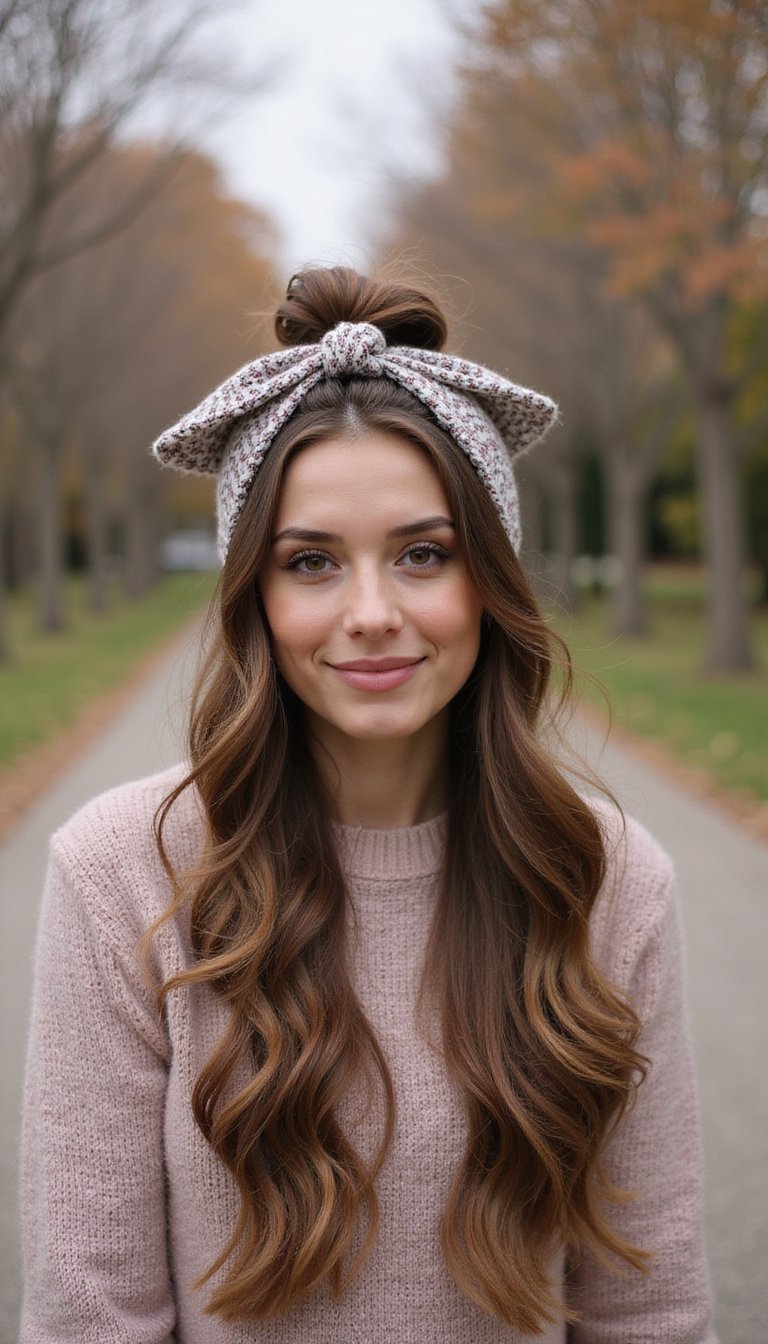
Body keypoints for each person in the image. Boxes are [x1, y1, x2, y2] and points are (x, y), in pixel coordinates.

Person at [20, 266, 717, 1342]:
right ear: (254, 589)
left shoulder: (608, 876)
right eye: (311, 563)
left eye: (424, 555)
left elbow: (651, 1311)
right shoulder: (124, 872)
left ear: (491, 578)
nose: (373, 614)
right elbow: (89, 1317)